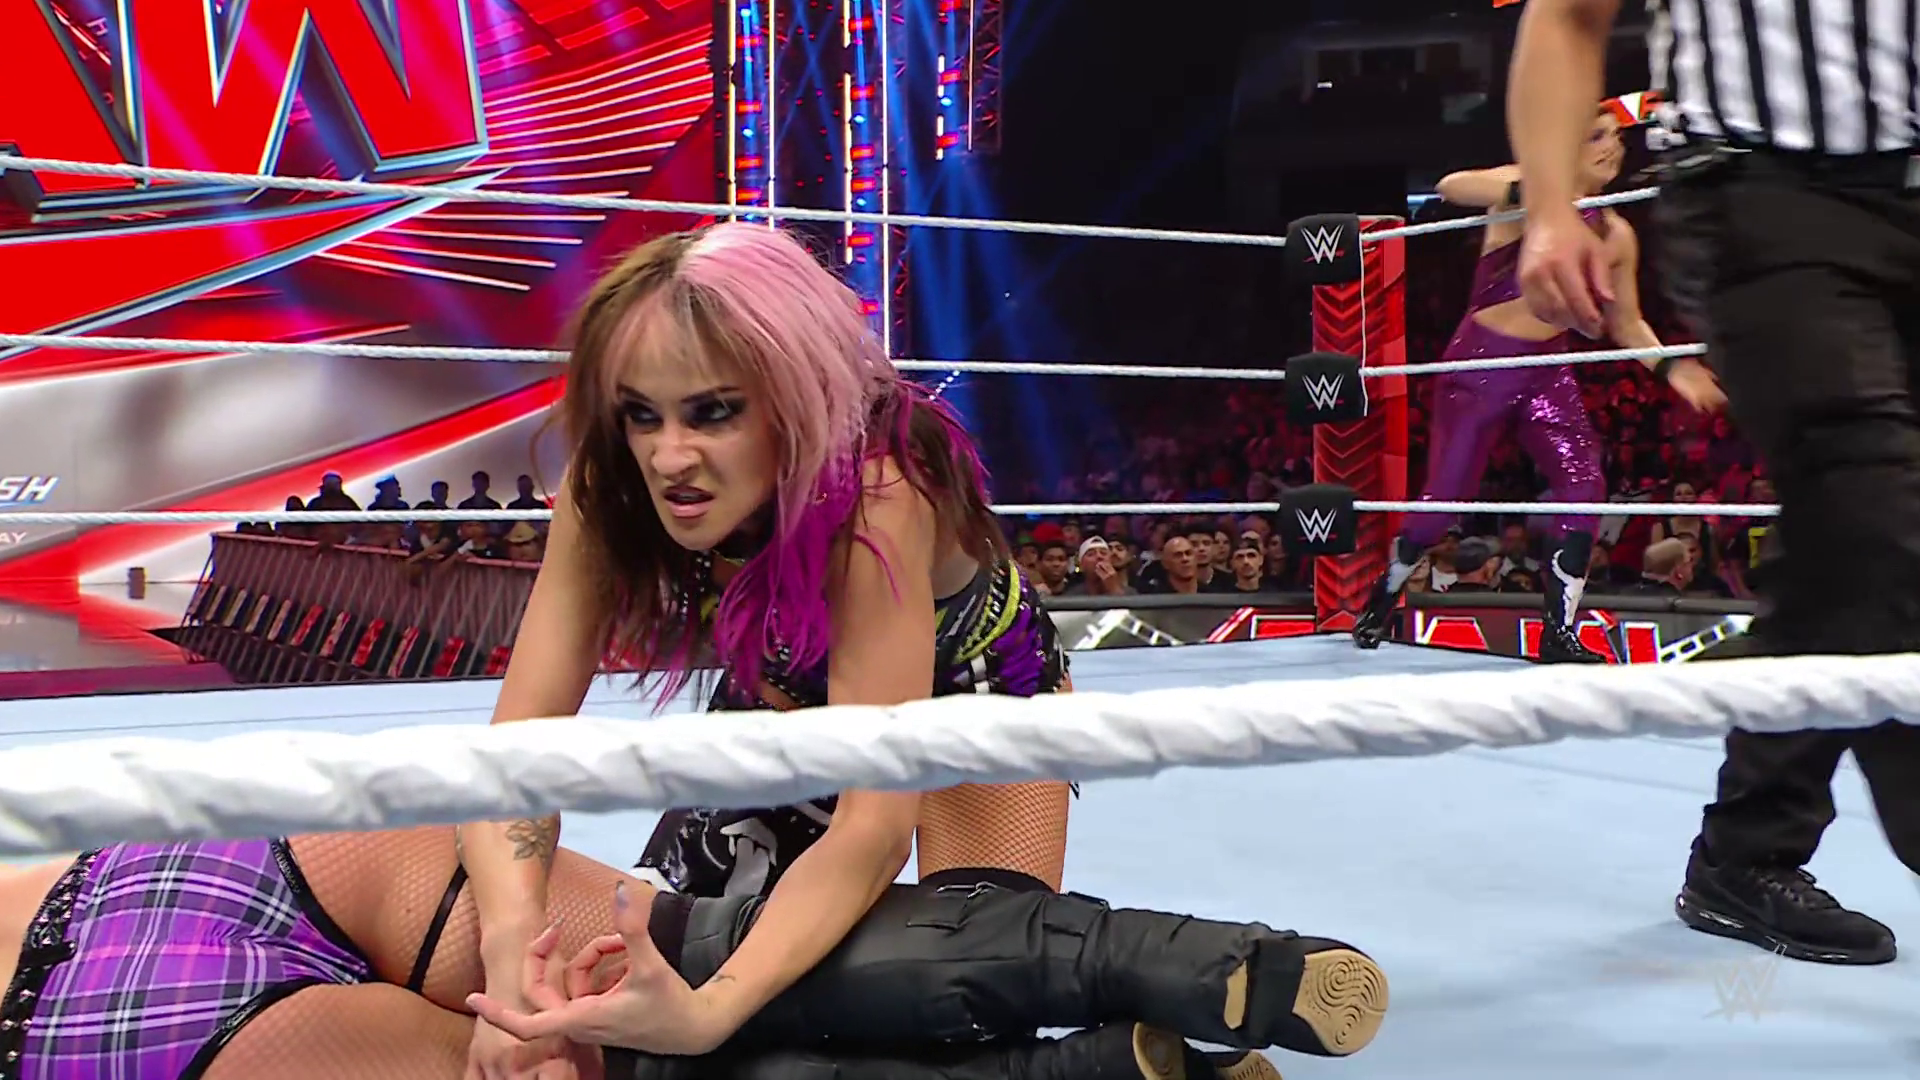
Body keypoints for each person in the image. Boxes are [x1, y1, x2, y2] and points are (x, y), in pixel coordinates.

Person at [451, 223, 1389, 1073]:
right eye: (642, 414)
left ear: (795, 396)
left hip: (977, 698)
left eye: (714, 412)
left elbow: (871, 829)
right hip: (791, 692)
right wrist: (512, 962)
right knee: (688, 970)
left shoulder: (876, 495)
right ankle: (1135, 1069)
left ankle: (1188, 974)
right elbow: (518, 759)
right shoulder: (607, 488)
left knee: (948, 979)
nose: (669, 457)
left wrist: (711, 1013)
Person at [1507, 0, 1918, 966]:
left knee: (1839, 551)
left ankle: (1745, 851)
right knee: (1877, 516)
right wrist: (1552, 207)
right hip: (1767, 193)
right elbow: (1568, 16)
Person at [0, 828, 1373, 1079]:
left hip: (82, 1025)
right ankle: (1203, 964)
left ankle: (1102, 1077)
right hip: (153, 863)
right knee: (689, 953)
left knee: (644, 1068)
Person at [1351, 105, 1725, 662]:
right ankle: (1383, 597)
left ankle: (1559, 631)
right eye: (1595, 136)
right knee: (1444, 500)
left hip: (1549, 370)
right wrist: (1532, 191)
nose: (1612, 147)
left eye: (1617, 137)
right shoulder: (1526, 193)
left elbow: (1627, 324)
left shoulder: (1617, 235)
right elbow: (1451, 185)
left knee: (1585, 484)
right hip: (1481, 364)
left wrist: (1673, 368)